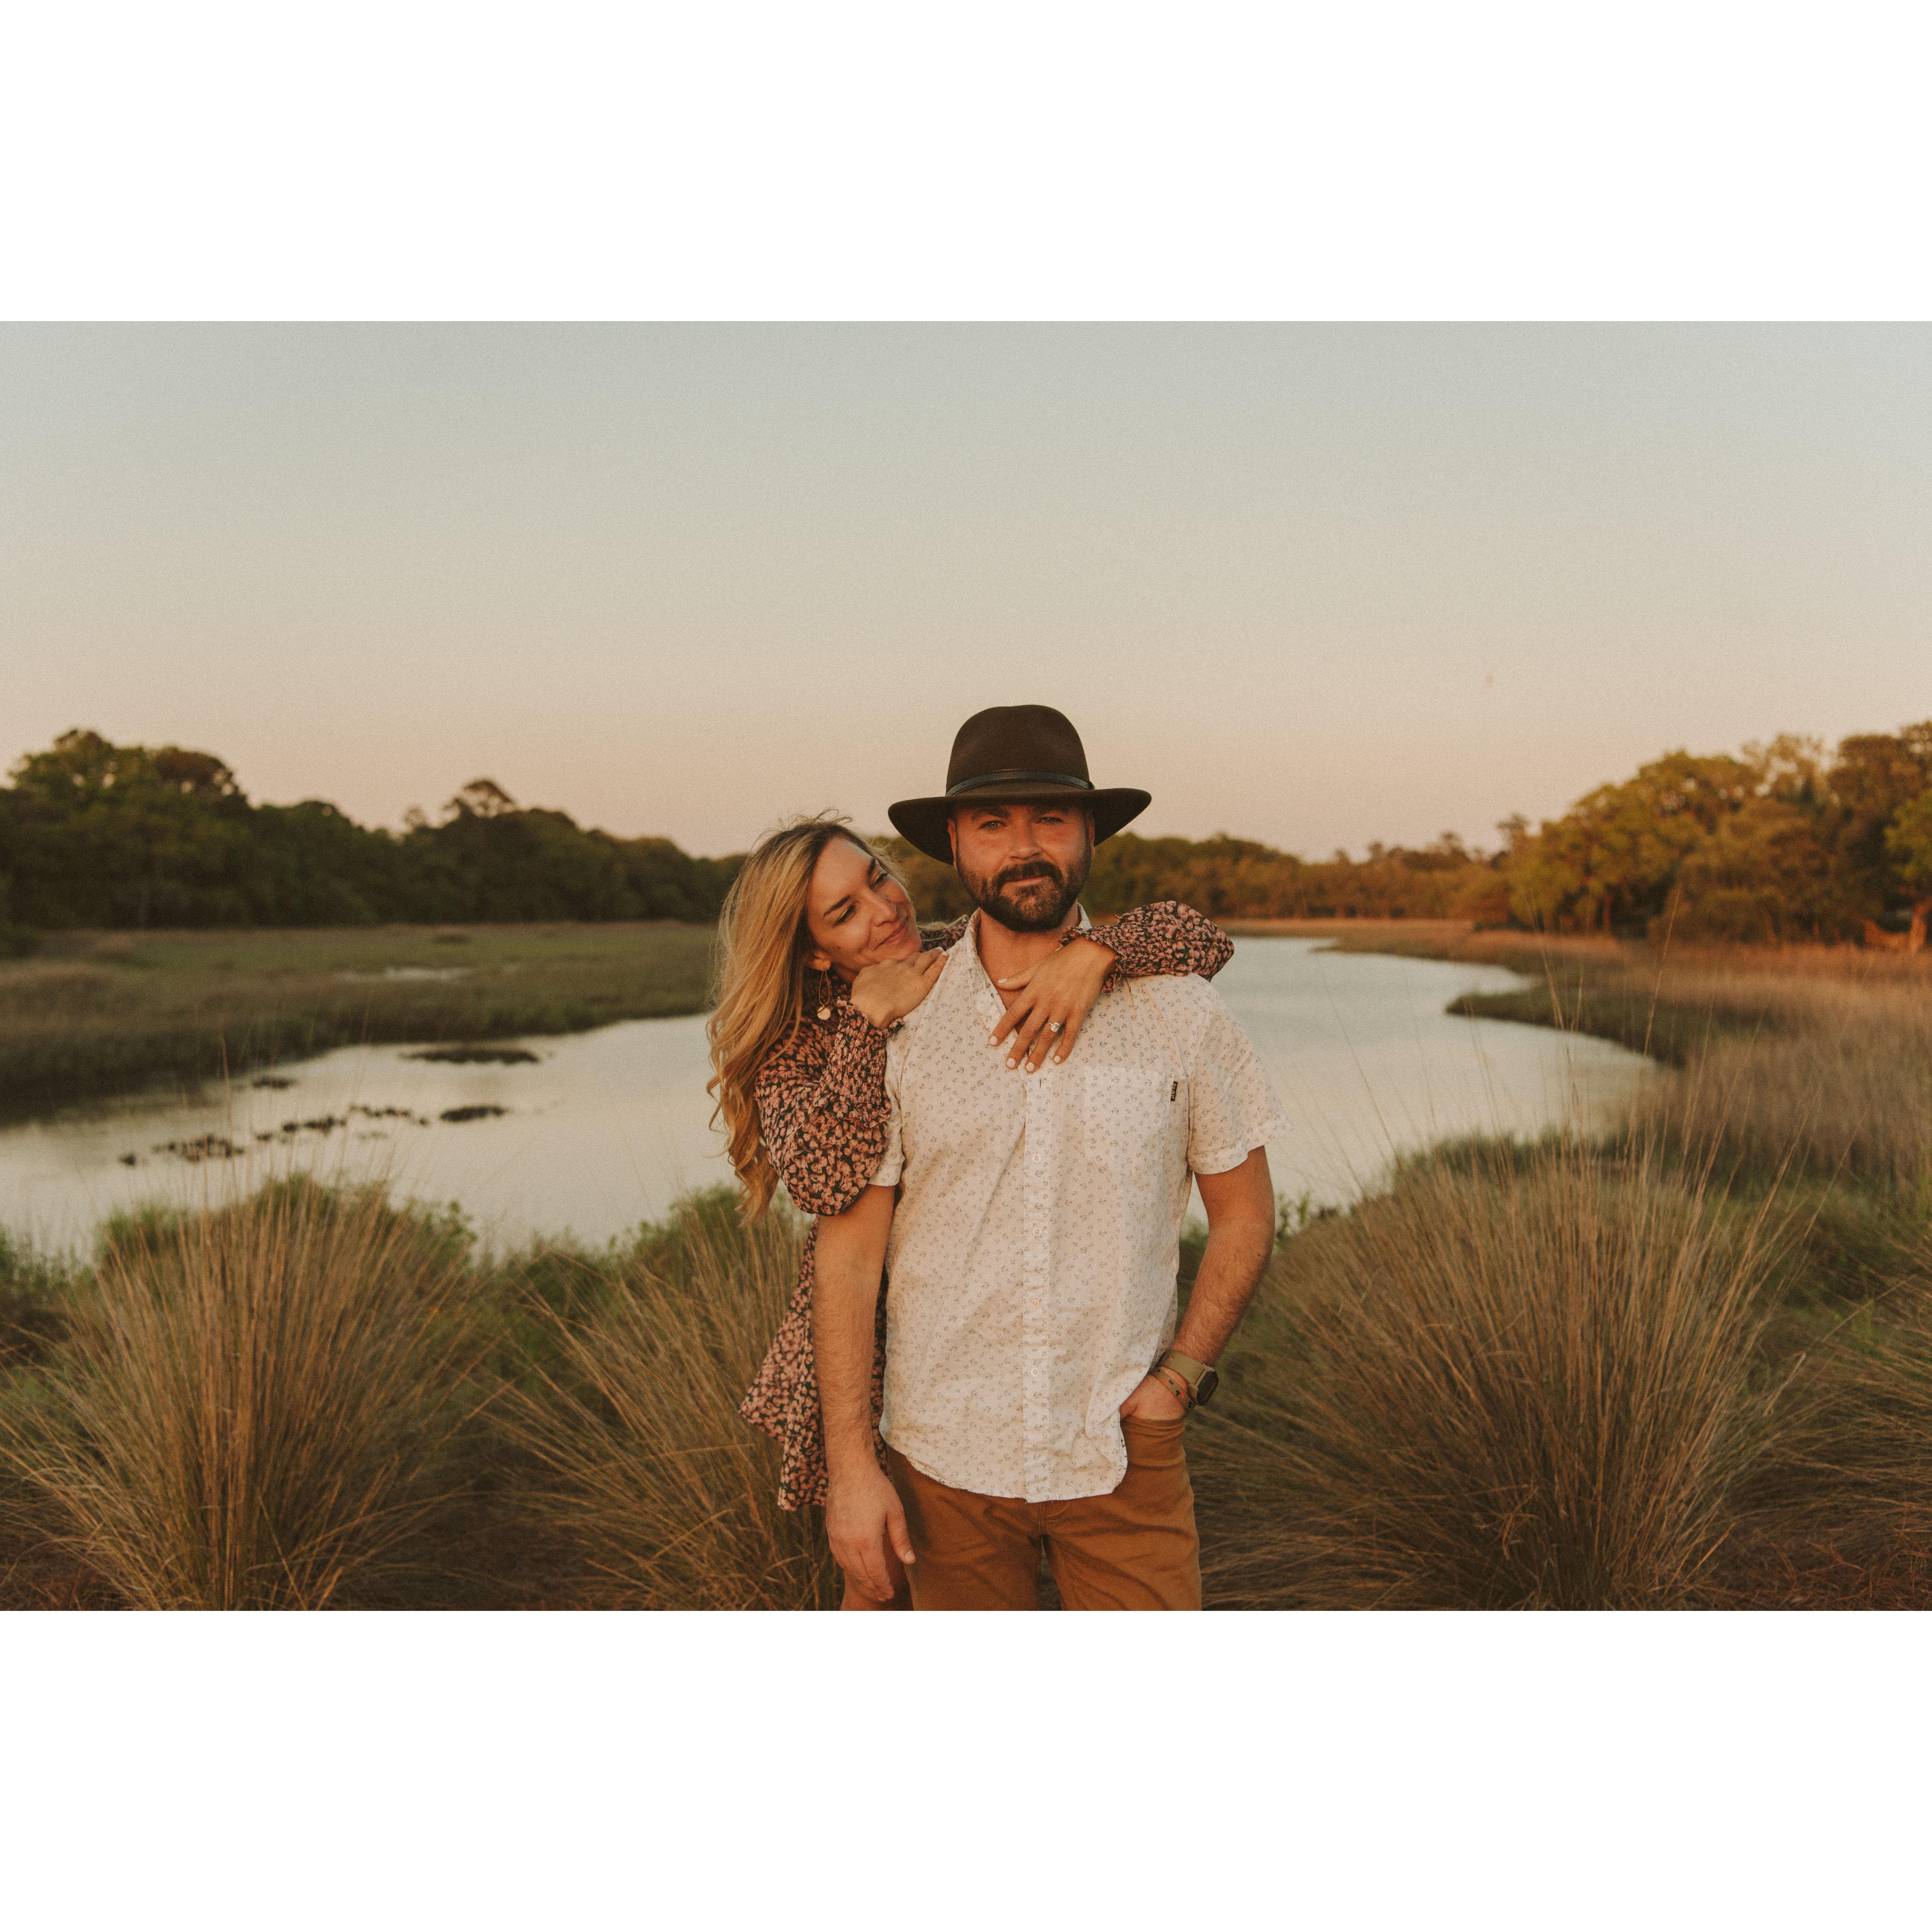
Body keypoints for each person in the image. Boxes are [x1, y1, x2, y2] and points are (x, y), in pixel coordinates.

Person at [815, 704, 1286, 1611]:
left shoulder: (1178, 1011)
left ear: (1089, 834)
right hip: (941, 1460)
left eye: (1051, 819)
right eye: (993, 823)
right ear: (953, 841)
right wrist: (850, 1464)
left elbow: (1244, 1212)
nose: (1023, 847)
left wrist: (1179, 1378)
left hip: (1120, 1453)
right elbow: (848, 1253)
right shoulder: (896, 1021)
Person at [708, 809, 1233, 1610]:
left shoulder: (952, 952)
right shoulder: (798, 1049)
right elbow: (826, 1183)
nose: (884, 910)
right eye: (845, 911)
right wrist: (865, 1019)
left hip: (1053, 1394)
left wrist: (1096, 951)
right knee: (878, 1599)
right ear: (814, 949)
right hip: (884, 1376)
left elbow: (1197, 934)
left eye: (877, 878)